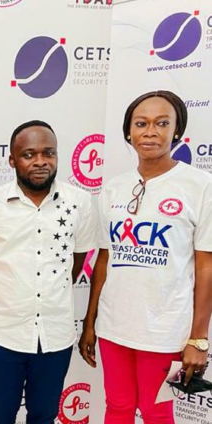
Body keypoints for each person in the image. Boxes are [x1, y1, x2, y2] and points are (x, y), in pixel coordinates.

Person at [79, 90, 212, 422]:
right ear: (129, 132)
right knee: (118, 407)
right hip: (113, 328)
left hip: (167, 331)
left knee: (157, 412)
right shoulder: (113, 188)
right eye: (141, 123)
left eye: (162, 123)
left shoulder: (201, 186)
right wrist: (90, 322)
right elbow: (104, 260)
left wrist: (199, 338)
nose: (150, 132)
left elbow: (205, 266)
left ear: (177, 131)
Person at [0, 121, 97, 423]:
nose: (40, 161)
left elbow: (78, 259)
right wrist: (1, 295)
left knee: (44, 416)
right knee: (1, 416)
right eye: (29, 154)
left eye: (48, 153)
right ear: (12, 160)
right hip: (2, 334)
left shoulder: (80, 202)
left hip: (56, 335)